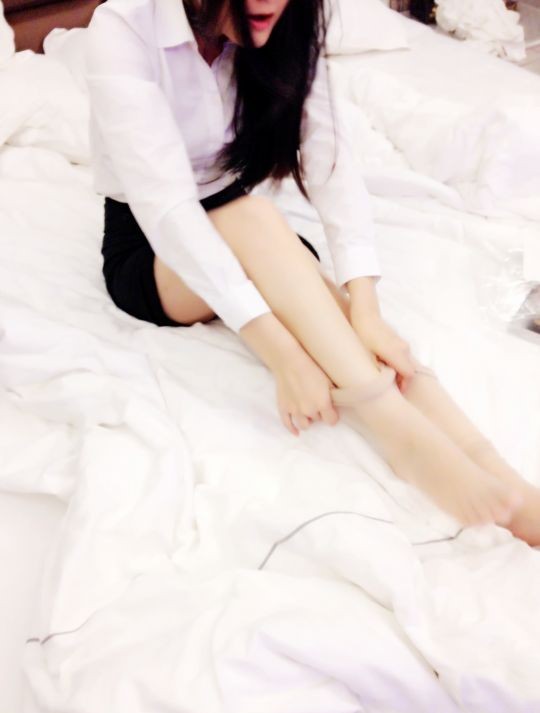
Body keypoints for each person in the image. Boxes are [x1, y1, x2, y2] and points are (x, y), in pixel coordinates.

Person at [85, 0, 540, 544]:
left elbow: (331, 162)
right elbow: (167, 208)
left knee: (344, 321)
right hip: (152, 246)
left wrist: (367, 308)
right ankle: (396, 430)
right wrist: (285, 356)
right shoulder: (122, 26)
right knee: (257, 219)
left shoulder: (289, 23)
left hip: (250, 229)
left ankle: (494, 468)